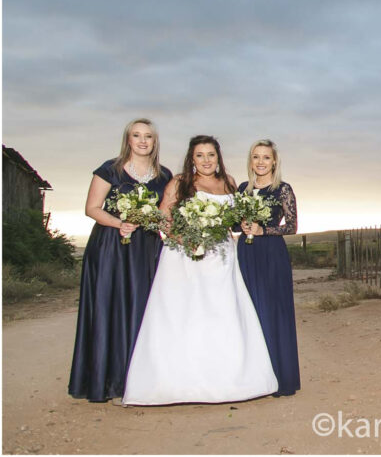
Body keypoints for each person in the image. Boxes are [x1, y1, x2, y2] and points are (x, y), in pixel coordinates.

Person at [122, 135, 277, 405]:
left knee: (223, 313)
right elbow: (162, 218)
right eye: (200, 155)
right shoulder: (180, 182)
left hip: (222, 258)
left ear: (218, 157)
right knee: (185, 316)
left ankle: (231, 381)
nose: (206, 160)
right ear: (191, 159)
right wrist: (184, 238)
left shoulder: (229, 182)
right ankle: (178, 384)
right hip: (185, 257)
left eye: (211, 155)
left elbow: (235, 219)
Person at [69, 118, 173, 403]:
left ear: (155, 141)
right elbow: (92, 208)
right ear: (128, 139)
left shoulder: (164, 175)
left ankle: (141, 381)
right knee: (111, 308)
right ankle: (111, 383)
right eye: (137, 135)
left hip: (146, 248)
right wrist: (119, 223)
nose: (143, 141)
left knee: (143, 307)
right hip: (111, 246)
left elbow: (166, 213)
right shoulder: (110, 169)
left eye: (148, 136)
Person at [237, 139, 301, 396]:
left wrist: (263, 230)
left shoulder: (282, 189)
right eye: (256, 157)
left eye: (266, 157)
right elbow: (234, 223)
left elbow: (292, 226)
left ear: (274, 161)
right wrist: (243, 225)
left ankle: (281, 377)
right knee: (249, 310)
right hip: (246, 253)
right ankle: (255, 380)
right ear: (250, 160)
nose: (260, 162)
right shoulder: (243, 189)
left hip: (272, 254)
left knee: (274, 311)